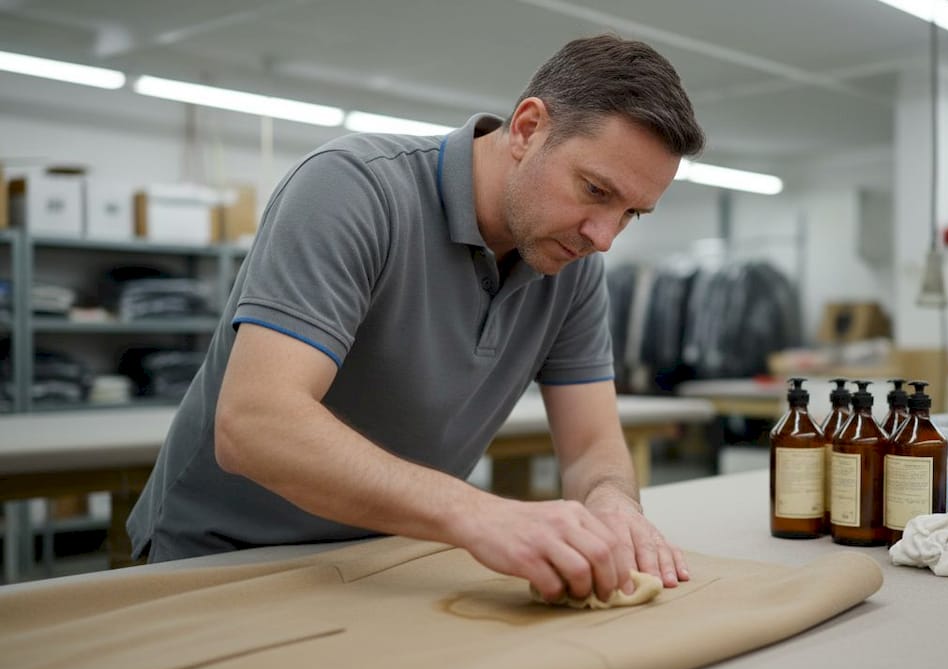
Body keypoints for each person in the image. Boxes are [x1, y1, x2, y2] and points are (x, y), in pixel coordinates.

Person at [126, 34, 706, 605]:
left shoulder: (570, 262)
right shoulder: (353, 189)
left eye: (631, 213)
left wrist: (613, 502)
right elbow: (254, 425)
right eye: (595, 189)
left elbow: (589, 446)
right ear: (528, 129)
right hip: (224, 563)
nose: (604, 237)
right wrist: (476, 513)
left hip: (386, 563)